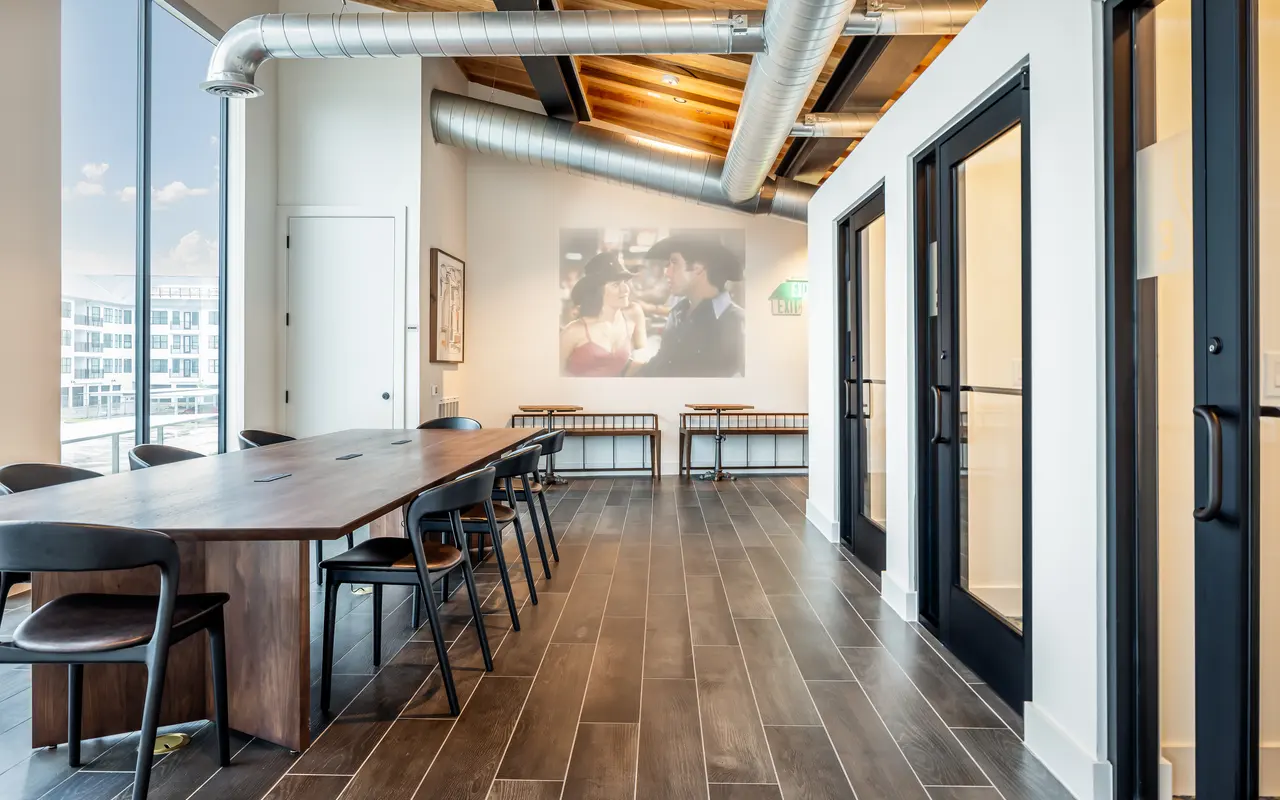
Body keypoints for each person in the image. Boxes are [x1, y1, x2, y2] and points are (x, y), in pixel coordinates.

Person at [635, 236, 745, 377]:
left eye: (674, 262)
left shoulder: (737, 323)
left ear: (698, 267)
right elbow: (663, 364)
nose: (666, 272)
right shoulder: (678, 314)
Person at [559, 257, 647, 377]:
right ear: (598, 291)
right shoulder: (574, 331)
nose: (625, 289)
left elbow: (639, 356)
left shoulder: (633, 314)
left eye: (625, 282)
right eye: (616, 285)